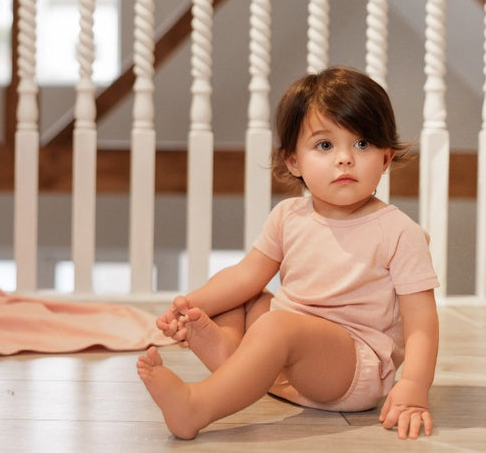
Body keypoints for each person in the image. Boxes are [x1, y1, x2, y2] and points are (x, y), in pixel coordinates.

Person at [137, 67, 440, 441]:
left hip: (350, 367)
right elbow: (245, 275)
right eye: (325, 146)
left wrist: (413, 386)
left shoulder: (398, 232)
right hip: (291, 348)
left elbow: (422, 324)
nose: (345, 158)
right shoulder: (289, 215)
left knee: (277, 325)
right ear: (293, 160)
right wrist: (188, 305)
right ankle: (232, 359)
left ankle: (196, 405)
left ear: (386, 157)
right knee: (245, 295)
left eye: (362, 144)